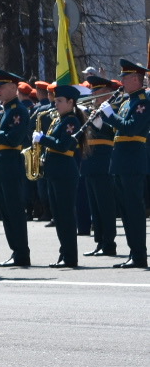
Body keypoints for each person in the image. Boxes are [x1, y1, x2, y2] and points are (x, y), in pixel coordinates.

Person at [95, 58, 150, 269]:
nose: (122, 81)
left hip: (132, 160)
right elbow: (117, 130)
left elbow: (130, 128)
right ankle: (133, 252)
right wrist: (102, 119)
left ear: (136, 78)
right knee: (126, 211)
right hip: (120, 160)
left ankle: (139, 254)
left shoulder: (143, 101)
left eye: (125, 77)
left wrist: (110, 115)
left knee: (134, 210)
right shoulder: (127, 102)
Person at [34, 84, 86, 268]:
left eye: (59, 101)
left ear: (71, 102)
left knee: (65, 216)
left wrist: (43, 139)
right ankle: (64, 253)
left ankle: (70, 257)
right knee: (58, 215)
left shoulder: (71, 121)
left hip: (65, 172)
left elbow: (63, 145)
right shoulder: (59, 120)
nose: (55, 104)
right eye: (55, 100)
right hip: (55, 172)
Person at [0, 70, 33, 268]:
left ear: (14, 88)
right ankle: (15, 250)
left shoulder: (18, 110)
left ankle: (22, 252)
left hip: (11, 162)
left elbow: (13, 138)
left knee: (14, 210)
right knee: (5, 210)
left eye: (1, 86)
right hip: (1, 163)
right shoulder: (5, 109)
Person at [80, 73, 120, 259]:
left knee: (105, 205)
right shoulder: (92, 109)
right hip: (89, 160)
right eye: (92, 90)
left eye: (97, 91)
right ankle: (99, 241)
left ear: (106, 92)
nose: (94, 94)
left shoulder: (112, 108)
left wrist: (94, 115)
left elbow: (106, 130)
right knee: (94, 205)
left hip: (104, 159)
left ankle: (109, 243)